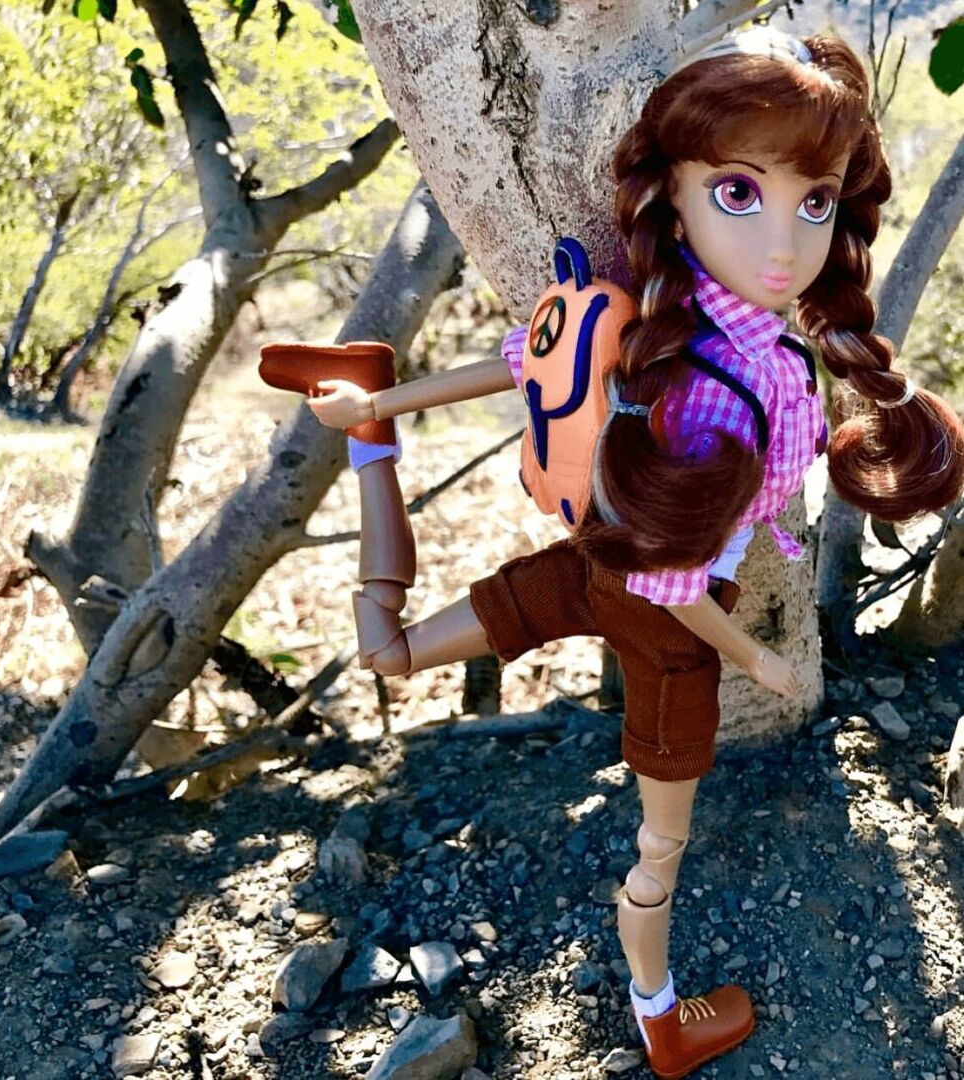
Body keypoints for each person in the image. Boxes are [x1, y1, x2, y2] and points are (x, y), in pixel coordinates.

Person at [259, 25, 964, 1078]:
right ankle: (661, 1020)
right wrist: (757, 658)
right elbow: (671, 584)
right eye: (739, 192)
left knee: (389, 653)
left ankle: (371, 452)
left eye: (814, 202)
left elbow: (527, 365)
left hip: (588, 568)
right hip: (670, 630)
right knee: (658, 849)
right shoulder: (725, 384)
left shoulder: (660, 326)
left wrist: (380, 405)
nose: (784, 244)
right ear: (670, 197)